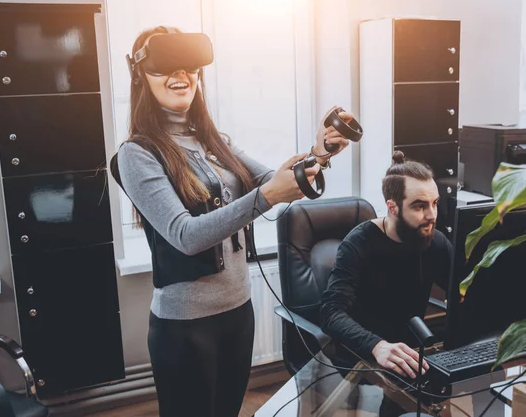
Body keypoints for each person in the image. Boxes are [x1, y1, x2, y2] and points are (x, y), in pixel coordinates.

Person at [112, 26, 354, 417]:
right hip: (186, 327)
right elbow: (186, 236)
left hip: (238, 313)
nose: (181, 75)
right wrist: (266, 197)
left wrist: (319, 153)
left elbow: (268, 180)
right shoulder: (138, 154)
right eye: (165, 66)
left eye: (189, 66)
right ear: (140, 74)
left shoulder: (213, 141)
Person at [320, 151, 452, 380]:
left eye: (435, 203)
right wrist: (377, 345)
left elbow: (462, 288)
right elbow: (330, 313)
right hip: (363, 357)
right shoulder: (359, 242)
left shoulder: (435, 241)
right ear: (393, 207)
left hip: (412, 354)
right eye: (420, 206)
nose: (432, 215)